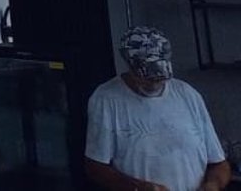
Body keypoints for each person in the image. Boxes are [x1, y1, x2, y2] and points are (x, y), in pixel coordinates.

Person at [84, 27, 231, 191]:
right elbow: (95, 167)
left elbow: (219, 164)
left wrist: (213, 185)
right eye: (147, 79)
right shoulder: (106, 99)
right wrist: (138, 187)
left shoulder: (187, 94)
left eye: (160, 78)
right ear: (130, 66)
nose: (154, 84)